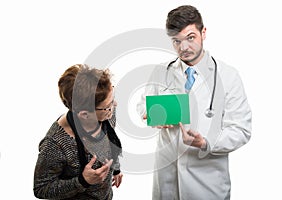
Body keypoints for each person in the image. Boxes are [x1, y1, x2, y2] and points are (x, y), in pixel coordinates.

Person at [137, 5, 252, 200]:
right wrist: (149, 115)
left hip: (207, 184)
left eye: (190, 38)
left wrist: (206, 142)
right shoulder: (161, 71)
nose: (184, 48)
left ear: (203, 32)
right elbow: (142, 105)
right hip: (167, 181)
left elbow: (241, 130)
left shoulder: (228, 76)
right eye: (176, 41)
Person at [34, 64, 123, 200]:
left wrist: (115, 169)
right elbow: (41, 189)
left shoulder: (106, 113)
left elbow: (109, 140)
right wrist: (82, 181)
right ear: (84, 114)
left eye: (112, 99)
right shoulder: (55, 143)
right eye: (108, 106)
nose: (114, 105)